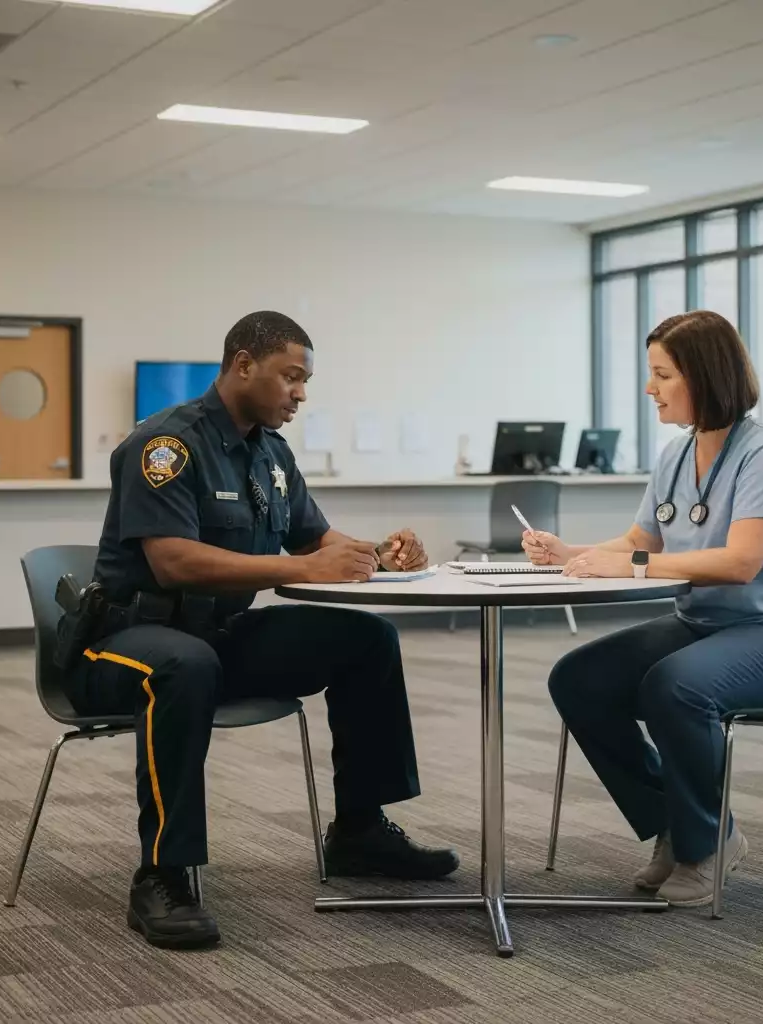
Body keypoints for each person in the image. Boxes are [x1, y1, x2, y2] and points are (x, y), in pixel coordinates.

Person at [68, 310, 459, 949]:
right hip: (121, 644)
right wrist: (305, 565)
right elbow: (173, 562)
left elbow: (317, 540)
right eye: (291, 378)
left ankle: (359, 830)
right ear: (243, 366)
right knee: (183, 666)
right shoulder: (166, 446)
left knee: (366, 639)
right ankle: (162, 874)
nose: (301, 393)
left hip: (216, 637)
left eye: (304, 381)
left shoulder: (270, 453)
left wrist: (380, 554)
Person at [522, 310, 763, 908]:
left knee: (676, 686)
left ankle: (706, 844)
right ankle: (676, 820)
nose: (650, 389)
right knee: (579, 678)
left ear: (703, 375)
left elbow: (740, 562)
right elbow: (644, 541)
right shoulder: (676, 454)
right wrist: (571, 553)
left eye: (662, 375)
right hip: (705, 626)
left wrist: (631, 567)